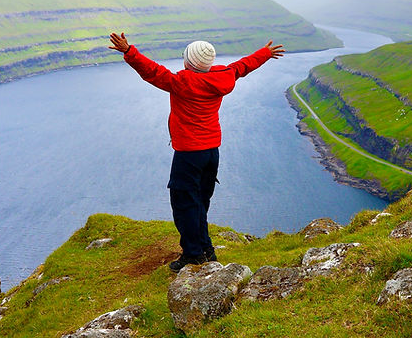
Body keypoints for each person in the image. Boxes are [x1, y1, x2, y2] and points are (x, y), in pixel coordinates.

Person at [108, 32, 285, 271]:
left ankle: (193, 255)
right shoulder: (223, 75)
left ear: (189, 62)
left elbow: (153, 71)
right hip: (211, 151)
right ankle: (206, 249)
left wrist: (129, 51)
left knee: (184, 203)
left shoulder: (182, 82)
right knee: (200, 202)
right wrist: (264, 53)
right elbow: (242, 66)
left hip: (189, 153)